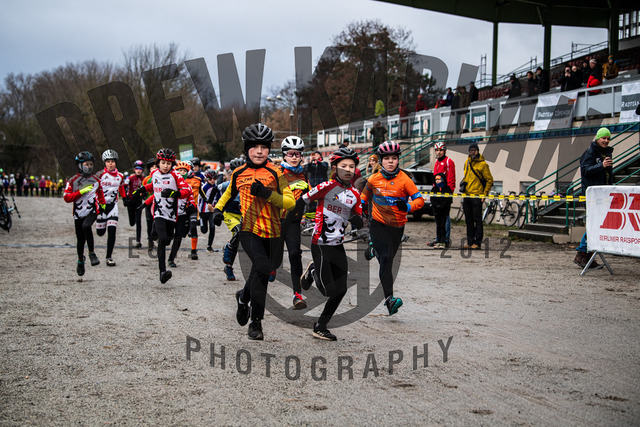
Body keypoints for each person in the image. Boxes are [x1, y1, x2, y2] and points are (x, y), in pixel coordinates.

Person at [213, 123, 294, 341]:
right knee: (263, 268)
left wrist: (267, 194)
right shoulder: (238, 172)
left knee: (262, 271)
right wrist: (218, 210)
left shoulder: (276, 172)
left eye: (264, 147)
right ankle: (255, 323)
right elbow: (228, 193)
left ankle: (243, 297)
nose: (259, 151)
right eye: (254, 147)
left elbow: (290, 202)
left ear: (269, 149)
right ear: (247, 148)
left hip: (273, 231)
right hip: (249, 230)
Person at [299, 146, 363, 340]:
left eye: (351, 166)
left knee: (340, 290)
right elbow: (303, 201)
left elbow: (359, 217)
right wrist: (290, 223)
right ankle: (312, 270)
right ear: (335, 167)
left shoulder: (355, 194)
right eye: (344, 166)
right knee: (327, 290)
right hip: (320, 243)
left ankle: (320, 326)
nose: (348, 170)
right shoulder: (325, 187)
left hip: (337, 245)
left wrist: (360, 222)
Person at [360, 141, 425, 316]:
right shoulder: (373, 179)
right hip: (378, 224)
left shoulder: (405, 180)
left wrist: (408, 207)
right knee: (386, 258)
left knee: (386, 261)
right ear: (381, 160)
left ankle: (373, 249)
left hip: (397, 226)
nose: (390, 161)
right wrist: (361, 208)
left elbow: (419, 200)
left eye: (394, 158)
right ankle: (389, 299)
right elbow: (363, 198)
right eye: (387, 158)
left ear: (398, 160)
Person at [138, 148, 191, 283]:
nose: (165, 166)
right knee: (162, 239)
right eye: (163, 163)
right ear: (158, 163)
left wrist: (175, 194)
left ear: (172, 164)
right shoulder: (154, 173)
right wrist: (140, 192)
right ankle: (162, 271)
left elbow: (186, 190)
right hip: (159, 211)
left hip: (172, 214)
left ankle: (155, 230)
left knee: (168, 240)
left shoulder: (176, 175)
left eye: (168, 163)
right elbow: (152, 186)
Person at [278, 136, 310, 310]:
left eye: (298, 154)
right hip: (276, 220)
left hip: (293, 222)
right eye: (291, 153)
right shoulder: (277, 172)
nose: (295, 157)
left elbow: (309, 196)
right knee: (273, 259)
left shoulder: (304, 174)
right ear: (284, 155)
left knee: (295, 254)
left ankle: (297, 295)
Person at [574, 127, 613, 269]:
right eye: (604, 138)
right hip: (593, 196)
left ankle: (587, 255)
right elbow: (585, 171)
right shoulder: (590, 152)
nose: (606, 141)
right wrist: (601, 165)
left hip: (603, 195)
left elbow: (607, 176)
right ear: (597, 138)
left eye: (608, 138)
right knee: (594, 225)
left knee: (597, 225)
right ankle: (582, 253)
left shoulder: (605, 153)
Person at [63, 151, 106, 276]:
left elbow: (100, 193)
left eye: (91, 164)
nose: (89, 167)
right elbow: (66, 198)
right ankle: (80, 261)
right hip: (78, 213)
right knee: (80, 240)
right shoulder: (72, 181)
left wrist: (103, 204)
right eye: (87, 164)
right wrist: (80, 192)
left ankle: (92, 253)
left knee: (86, 226)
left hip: (92, 210)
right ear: (80, 165)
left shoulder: (96, 180)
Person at [96, 149, 126, 267]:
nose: (110, 164)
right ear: (105, 163)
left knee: (112, 231)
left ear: (116, 162)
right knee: (100, 232)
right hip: (101, 207)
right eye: (108, 161)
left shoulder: (120, 176)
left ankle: (109, 257)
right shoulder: (100, 175)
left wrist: (125, 198)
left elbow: (121, 187)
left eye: (112, 161)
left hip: (113, 206)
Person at [460, 143, 493, 249]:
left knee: (477, 220)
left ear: (478, 151)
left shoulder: (483, 164)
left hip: (477, 195)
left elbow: (489, 180)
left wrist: (484, 194)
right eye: (471, 150)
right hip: (467, 195)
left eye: (474, 150)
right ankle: (470, 242)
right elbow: (466, 176)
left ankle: (477, 243)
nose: (473, 152)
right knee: (468, 220)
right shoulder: (467, 162)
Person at [217, 157, 245, 281]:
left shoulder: (247, 183)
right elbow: (214, 189)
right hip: (229, 214)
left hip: (242, 214)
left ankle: (228, 267)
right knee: (238, 232)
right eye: (235, 171)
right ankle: (228, 247)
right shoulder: (227, 184)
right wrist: (211, 204)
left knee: (239, 240)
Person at [166, 161, 199, 267]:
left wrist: (191, 205)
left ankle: (171, 259)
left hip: (181, 215)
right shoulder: (170, 184)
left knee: (179, 237)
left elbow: (191, 199)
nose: (182, 173)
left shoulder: (188, 187)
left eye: (184, 171)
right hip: (169, 214)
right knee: (167, 238)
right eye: (180, 170)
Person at [427, 142, 456, 247]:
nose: (438, 152)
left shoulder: (449, 162)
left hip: (445, 194)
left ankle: (446, 239)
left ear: (444, 151)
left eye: (440, 150)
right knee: (438, 218)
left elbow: (451, 178)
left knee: (445, 217)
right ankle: (438, 238)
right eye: (437, 150)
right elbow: (435, 178)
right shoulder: (437, 163)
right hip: (437, 193)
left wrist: (449, 193)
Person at [123, 160, 145, 248]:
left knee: (138, 221)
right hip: (130, 201)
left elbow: (146, 188)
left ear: (142, 170)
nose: (138, 170)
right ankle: (133, 219)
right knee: (132, 222)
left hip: (138, 201)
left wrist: (144, 194)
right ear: (134, 169)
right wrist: (125, 198)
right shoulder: (130, 178)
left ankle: (138, 240)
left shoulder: (143, 179)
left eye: (140, 169)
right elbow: (123, 187)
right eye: (137, 169)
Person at [431, 173, 453, 249]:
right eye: (436, 179)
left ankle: (444, 241)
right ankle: (438, 240)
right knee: (438, 226)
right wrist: (436, 205)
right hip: (437, 211)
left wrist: (442, 205)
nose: (437, 181)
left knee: (443, 226)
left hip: (444, 211)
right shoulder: (434, 189)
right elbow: (432, 199)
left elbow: (449, 199)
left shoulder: (447, 189)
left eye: (439, 179)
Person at [200, 169, 220, 253]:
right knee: (204, 230)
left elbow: (219, 198)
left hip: (212, 211)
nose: (212, 180)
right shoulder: (204, 187)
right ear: (207, 179)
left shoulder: (217, 187)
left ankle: (209, 246)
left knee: (212, 227)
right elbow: (199, 199)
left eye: (214, 179)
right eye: (210, 179)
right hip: (203, 211)